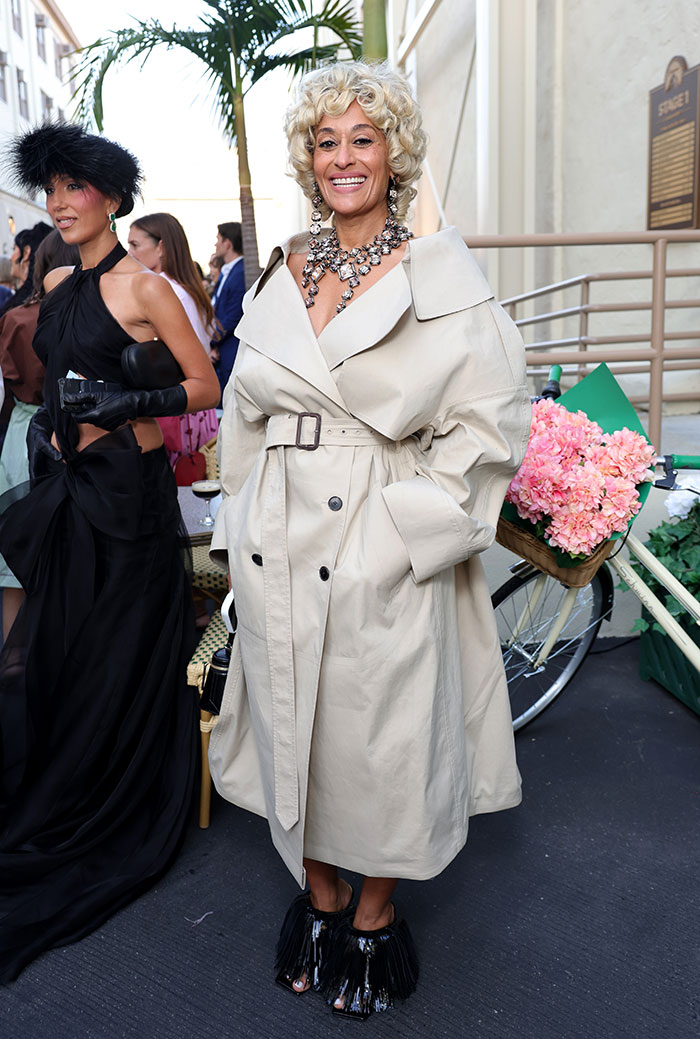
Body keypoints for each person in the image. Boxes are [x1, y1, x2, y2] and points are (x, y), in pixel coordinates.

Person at [208, 61, 531, 1019]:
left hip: (378, 525)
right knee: (292, 721)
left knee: (382, 738)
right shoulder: (287, 265)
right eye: (326, 141)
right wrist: (240, 516)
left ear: (394, 153)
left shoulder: (441, 271)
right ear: (309, 160)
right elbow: (241, 408)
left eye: (363, 138)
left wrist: (402, 530)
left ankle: (374, 917)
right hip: (278, 526)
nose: (344, 158)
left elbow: (488, 423)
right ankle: (319, 901)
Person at [0, 121, 220, 983]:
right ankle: (61, 783)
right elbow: (51, 376)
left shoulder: (146, 284)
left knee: (116, 651)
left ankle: (110, 796)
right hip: (64, 487)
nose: (59, 203)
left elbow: (203, 385)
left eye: (74, 189)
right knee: (63, 644)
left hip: (128, 500)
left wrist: (125, 401)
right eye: (51, 190)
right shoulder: (54, 281)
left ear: (111, 197)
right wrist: (62, 417)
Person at [0, 229, 79, 639]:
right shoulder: (80, 318)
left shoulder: (15, 317)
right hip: (67, 432)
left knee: (13, 558)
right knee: (62, 554)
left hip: (19, 433)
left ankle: (12, 662)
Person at [127, 212, 218, 467]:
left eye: (135, 244)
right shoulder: (185, 289)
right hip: (193, 409)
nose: (129, 252)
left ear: (161, 247)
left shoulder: (168, 292)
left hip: (178, 409)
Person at [210, 221, 244, 400]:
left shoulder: (241, 271)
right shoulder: (226, 271)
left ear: (228, 243)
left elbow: (233, 315)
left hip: (230, 350)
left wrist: (211, 341)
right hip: (221, 350)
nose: (215, 244)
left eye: (218, 239)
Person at [0, 221, 53, 320]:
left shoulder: (20, 309)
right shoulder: (47, 299)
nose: (11, 258)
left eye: (14, 249)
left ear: (26, 253)